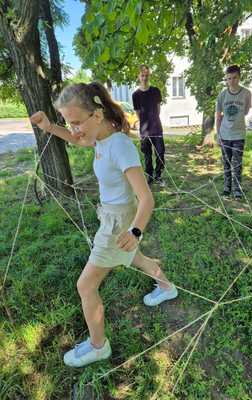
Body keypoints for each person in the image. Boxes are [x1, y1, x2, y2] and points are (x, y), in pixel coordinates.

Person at [30, 82, 178, 368]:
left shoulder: (120, 146)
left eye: (75, 122)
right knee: (133, 256)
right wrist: (50, 127)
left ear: (96, 115)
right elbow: (77, 140)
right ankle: (166, 285)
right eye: (67, 122)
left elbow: (146, 198)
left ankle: (99, 346)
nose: (73, 129)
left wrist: (135, 230)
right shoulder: (100, 137)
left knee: (85, 285)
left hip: (119, 220)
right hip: (113, 215)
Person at [215, 65, 252, 199]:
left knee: (237, 163)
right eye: (229, 78)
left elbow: (246, 110)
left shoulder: (247, 93)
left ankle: (237, 189)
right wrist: (218, 134)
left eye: (234, 78)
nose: (232, 81)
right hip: (225, 134)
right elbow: (218, 116)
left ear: (239, 77)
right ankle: (227, 187)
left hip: (239, 134)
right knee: (226, 162)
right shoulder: (222, 95)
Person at [132, 65, 165, 186]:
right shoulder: (135, 95)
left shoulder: (155, 91)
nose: (144, 78)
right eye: (142, 75)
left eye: (146, 75)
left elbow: (158, 109)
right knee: (147, 155)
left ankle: (159, 176)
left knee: (160, 153)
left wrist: (153, 120)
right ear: (138, 77)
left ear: (149, 76)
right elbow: (138, 113)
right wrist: (144, 126)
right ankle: (150, 177)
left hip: (157, 128)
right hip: (144, 130)